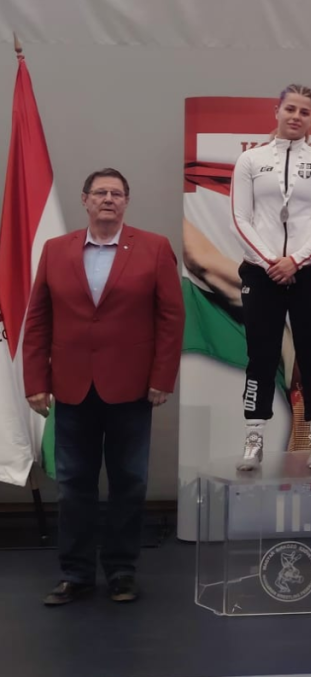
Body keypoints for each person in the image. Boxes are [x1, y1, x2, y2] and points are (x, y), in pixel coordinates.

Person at [23, 168, 185, 605]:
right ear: (85, 200)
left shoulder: (154, 248)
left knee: (129, 482)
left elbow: (172, 319)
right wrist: (35, 381)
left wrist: (162, 378)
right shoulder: (56, 250)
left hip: (132, 389)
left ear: (126, 202)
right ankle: (75, 574)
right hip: (71, 388)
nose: (108, 199)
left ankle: (121, 571)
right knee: (74, 484)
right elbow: (37, 320)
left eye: (116, 193)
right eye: (100, 192)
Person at [231, 83, 311, 471]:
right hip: (262, 273)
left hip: (309, 273)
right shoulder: (250, 160)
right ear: (276, 111)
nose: (296, 116)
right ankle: (253, 439)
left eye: (304, 111)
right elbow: (240, 218)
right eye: (290, 109)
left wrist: (295, 260)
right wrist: (270, 262)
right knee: (260, 356)